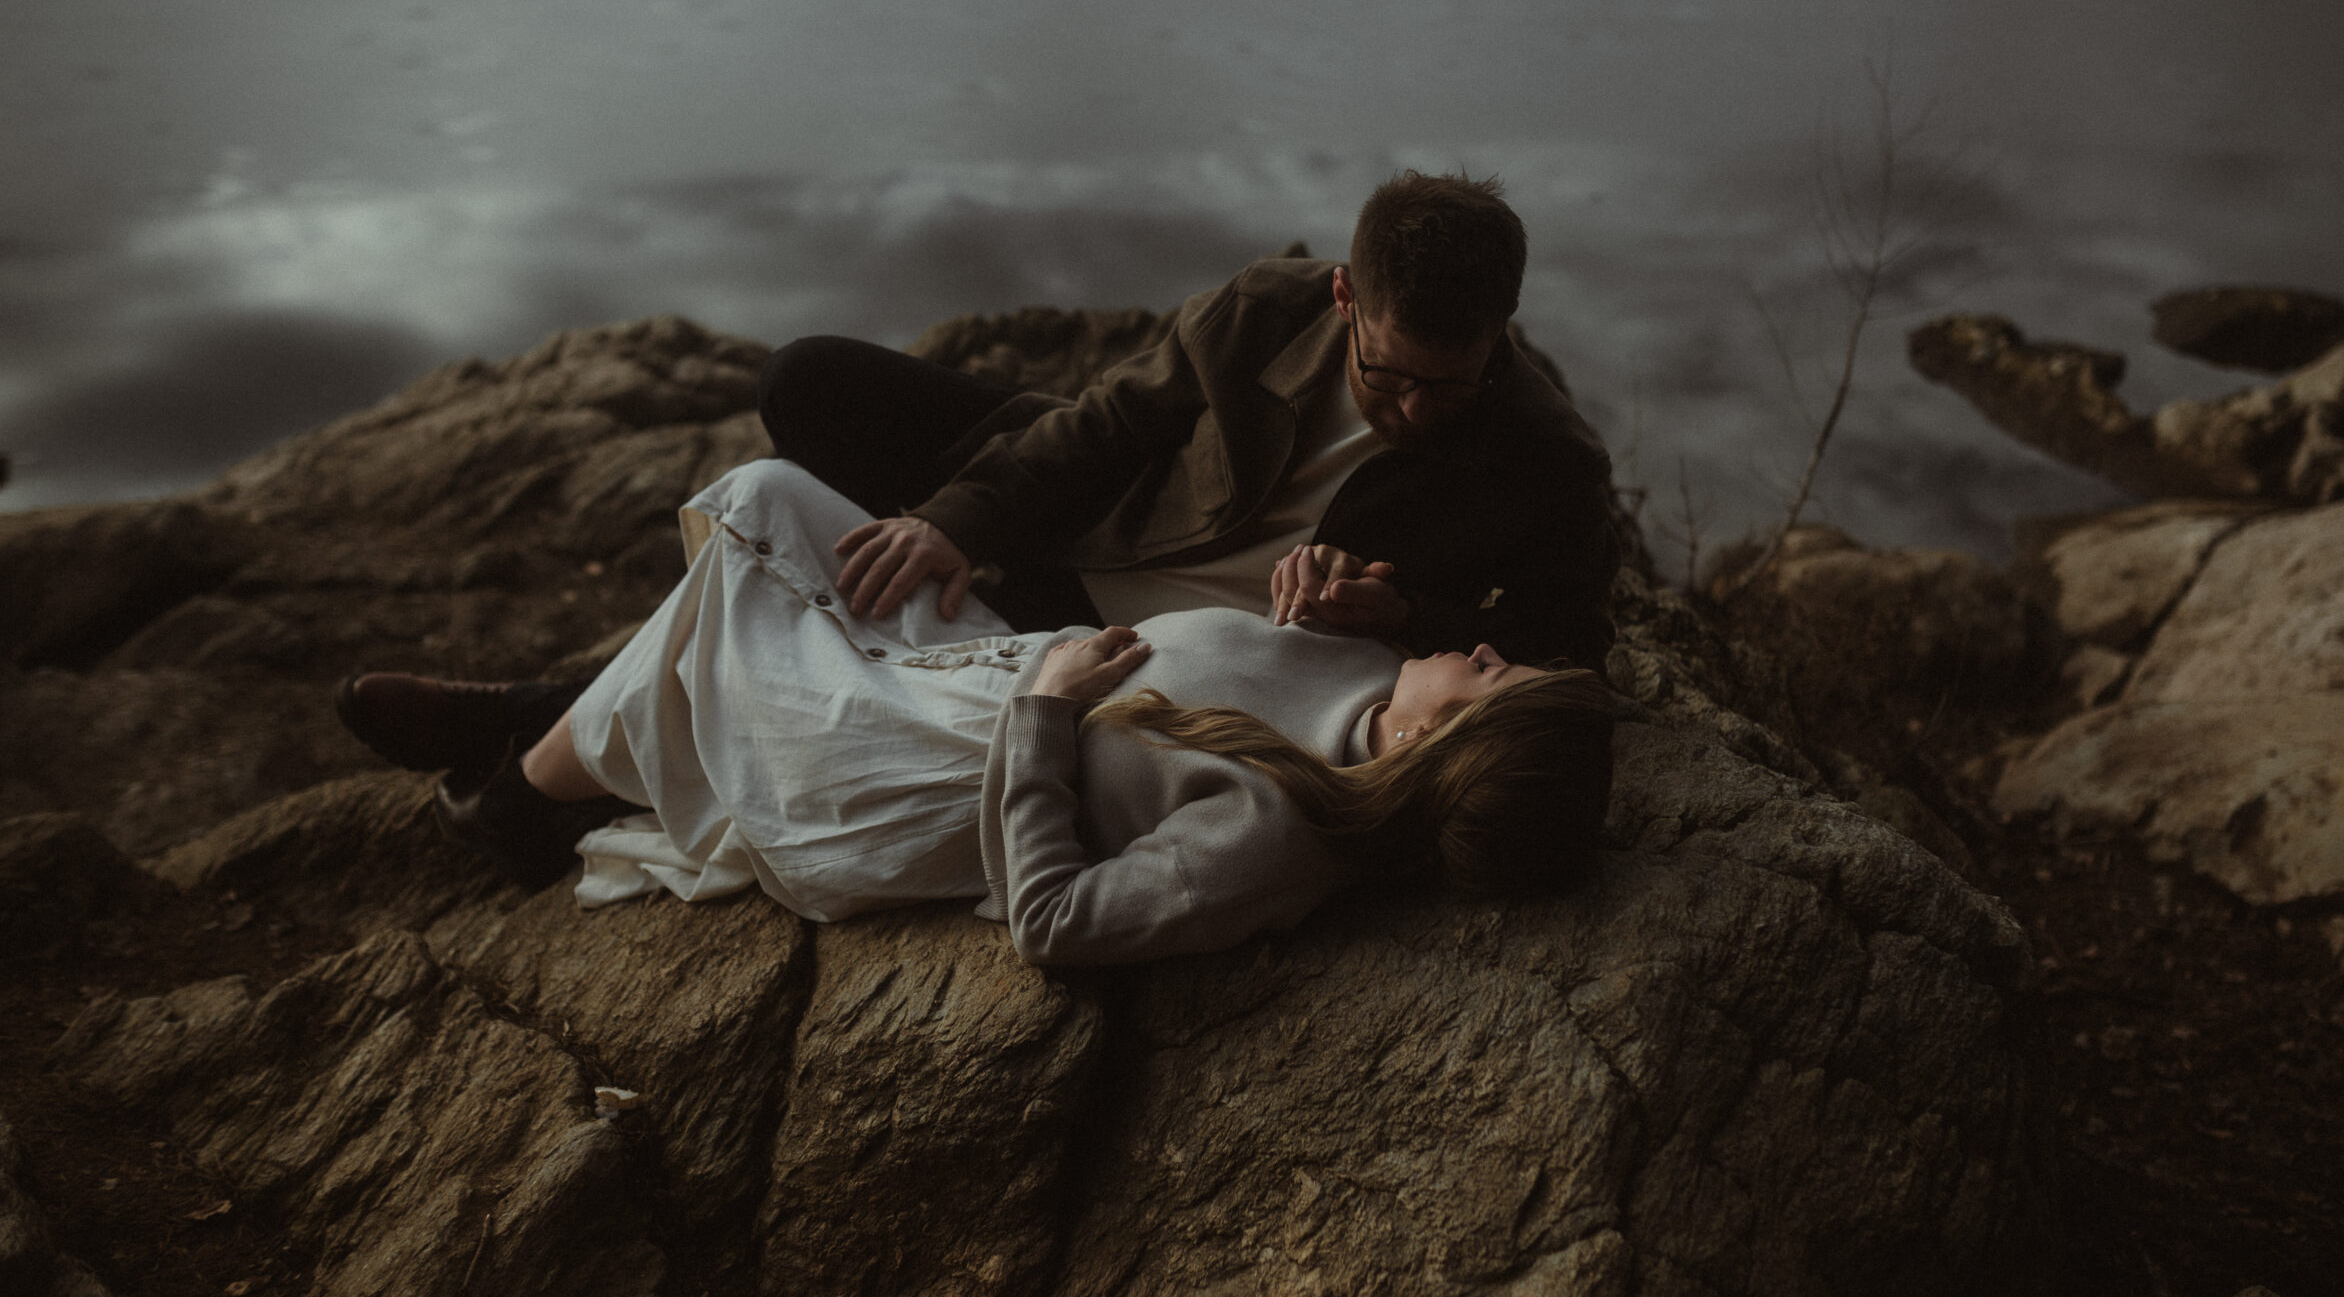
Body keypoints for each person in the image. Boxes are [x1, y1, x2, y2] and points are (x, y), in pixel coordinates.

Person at [348, 458, 1616, 967]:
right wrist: (1335, 618)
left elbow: (1057, 924)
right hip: (986, 661)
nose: (1489, 646)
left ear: (1433, 744)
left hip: (928, 763)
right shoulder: (1375, 671)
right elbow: (1235, 676)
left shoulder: (1275, 844)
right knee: (776, 493)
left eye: (1493, 678)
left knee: (738, 557)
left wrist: (1050, 720)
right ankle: (521, 759)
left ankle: (517, 771)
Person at [755, 170, 1619, 671]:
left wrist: (1406, 616)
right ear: (1344, 297)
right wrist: (955, 518)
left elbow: (1572, 640)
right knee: (809, 379)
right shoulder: (1272, 305)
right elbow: (1114, 420)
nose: (1416, 410)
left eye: (1451, 387)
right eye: (1386, 377)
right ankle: (949, 578)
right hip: (1115, 524)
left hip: (1172, 649)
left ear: (1500, 326)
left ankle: (954, 613)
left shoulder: (1550, 459)